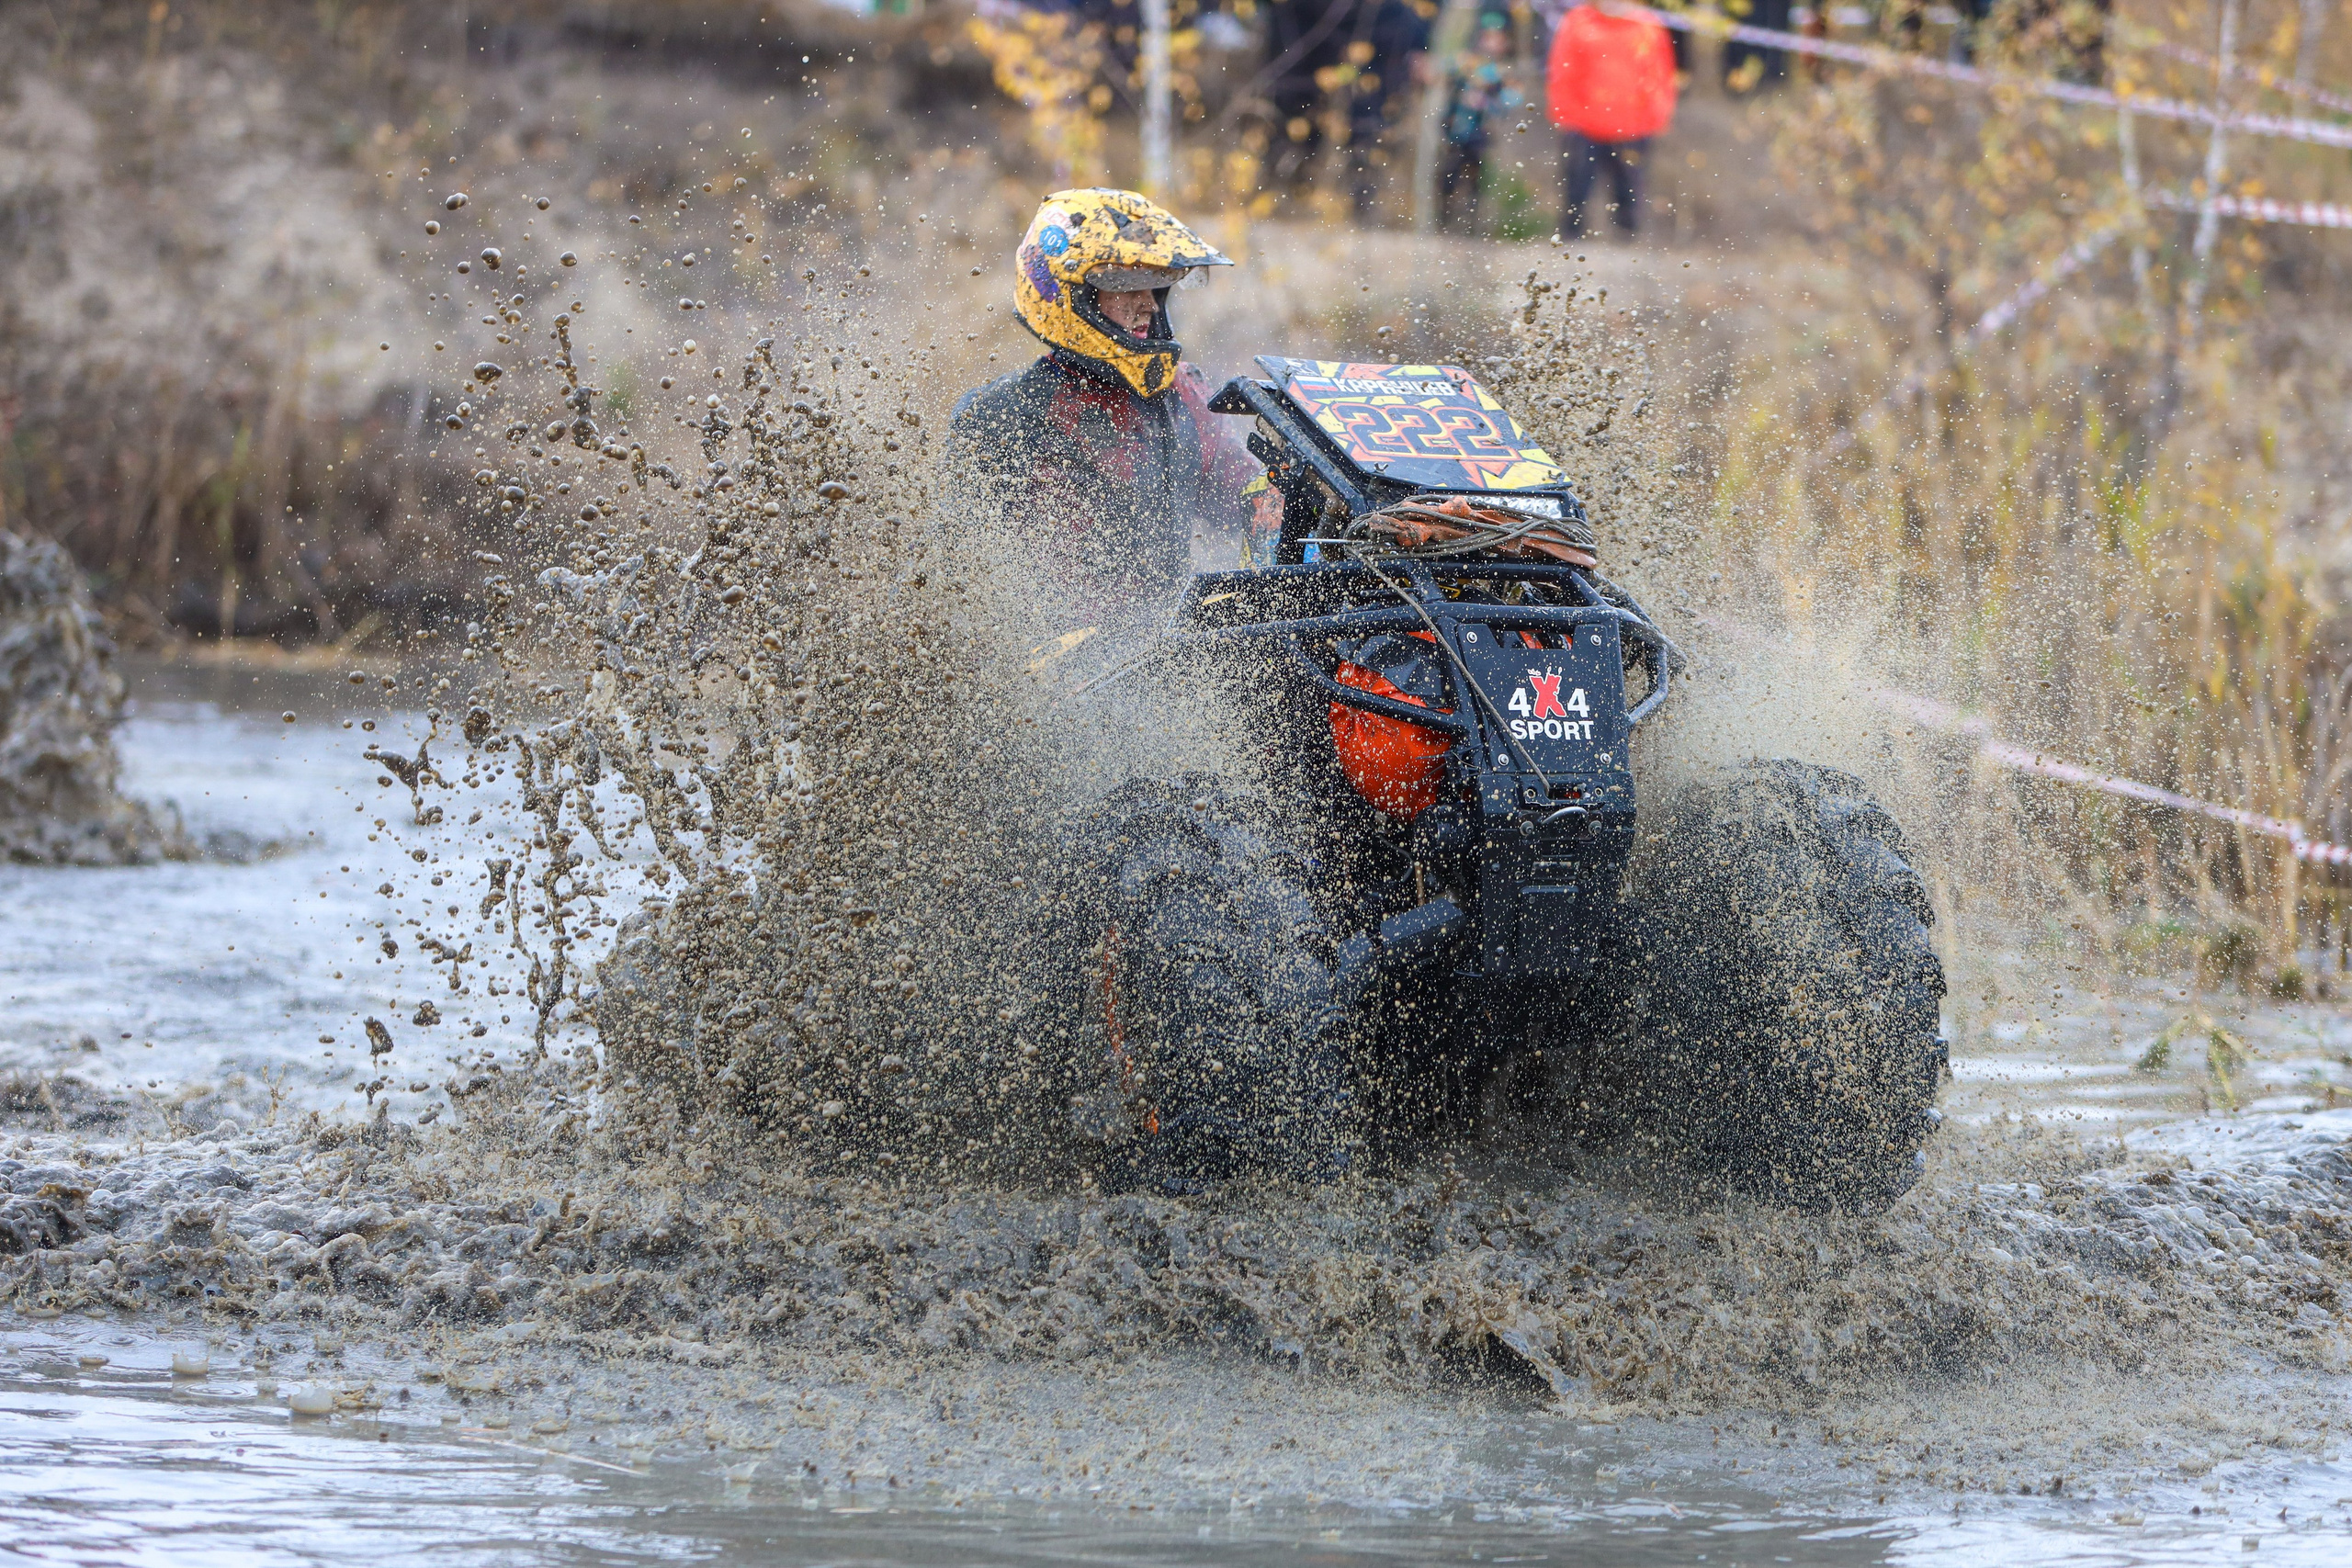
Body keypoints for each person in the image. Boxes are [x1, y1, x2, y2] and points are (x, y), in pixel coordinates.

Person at [947, 189, 1260, 622]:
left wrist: (1322, 507)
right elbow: (950, 583)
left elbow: (1249, 496)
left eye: (1155, 284)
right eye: (1124, 284)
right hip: (1058, 661)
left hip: (1173, 646)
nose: (1147, 303)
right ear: (1067, 294)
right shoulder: (1000, 416)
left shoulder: (1182, 393)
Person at [1544, 0, 1677, 240]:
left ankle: (1627, 246)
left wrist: (1658, 116)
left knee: (1629, 193)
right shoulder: (1578, 22)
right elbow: (1562, 70)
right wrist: (1565, 114)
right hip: (1584, 126)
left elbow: (1660, 74)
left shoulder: (1647, 25)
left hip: (1633, 128)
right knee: (1575, 190)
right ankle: (1569, 244)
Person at [1438, 15, 1524, 234]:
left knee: (1477, 180)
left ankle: (1472, 224)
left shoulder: (1504, 70)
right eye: (1488, 37)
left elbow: (1512, 100)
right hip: (1457, 130)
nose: (1492, 43)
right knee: (1448, 176)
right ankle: (1443, 222)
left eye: (1497, 38)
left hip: (1483, 131)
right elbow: (1446, 77)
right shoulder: (1466, 62)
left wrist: (1489, 97)